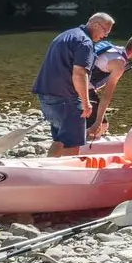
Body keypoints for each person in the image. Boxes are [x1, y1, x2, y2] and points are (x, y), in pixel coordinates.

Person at [32, 12, 113, 157]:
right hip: (65, 98)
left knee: (60, 140)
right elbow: (80, 73)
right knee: (73, 143)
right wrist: (86, 102)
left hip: (45, 95)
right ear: (95, 25)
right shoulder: (85, 42)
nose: (105, 35)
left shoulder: (66, 34)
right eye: (105, 31)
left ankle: (47, 171)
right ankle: (66, 177)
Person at [86, 33, 132, 140]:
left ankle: (79, 140)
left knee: (91, 123)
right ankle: (81, 148)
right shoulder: (119, 64)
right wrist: (98, 122)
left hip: (71, 82)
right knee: (102, 125)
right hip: (81, 89)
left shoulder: (112, 48)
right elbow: (106, 96)